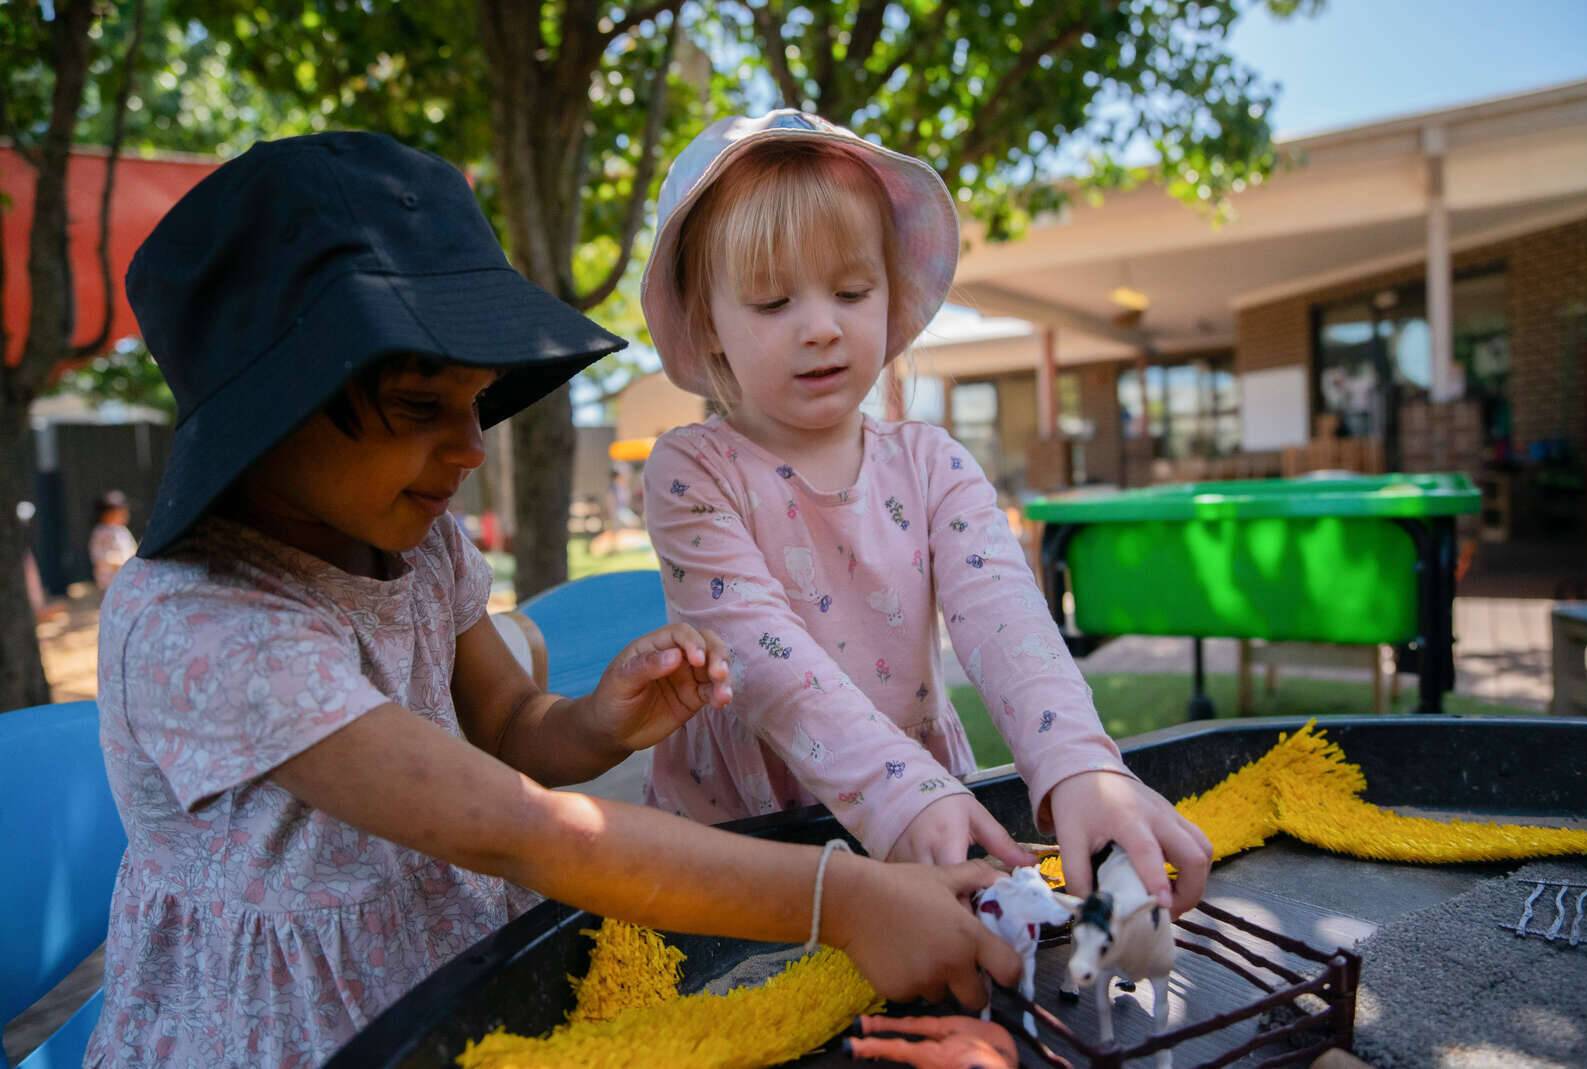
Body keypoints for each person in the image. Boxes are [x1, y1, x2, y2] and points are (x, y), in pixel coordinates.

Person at [86, 132, 1019, 1068]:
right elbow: (522, 830)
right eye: (421, 405)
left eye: (477, 400)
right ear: (272, 407)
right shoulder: (206, 625)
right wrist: (843, 899)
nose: (472, 446)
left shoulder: (419, 548)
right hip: (298, 1037)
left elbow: (506, 725)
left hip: (462, 986)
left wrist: (598, 723)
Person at [637, 111, 1212, 910]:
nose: (822, 327)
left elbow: (1005, 617)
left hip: (926, 804)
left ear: (890, 295)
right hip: (746, 833)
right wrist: (901, 789)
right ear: (707, 323)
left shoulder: (932, 463)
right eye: (771, 301)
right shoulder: (693, 472)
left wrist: (1079, 761)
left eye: (852, 291)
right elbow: (766, 663)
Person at [89, 489, 138, 591]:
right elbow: (98, 556)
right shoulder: (100, 532)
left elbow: (132, 549)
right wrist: (118, 560)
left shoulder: (123, 530)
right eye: (118, 511)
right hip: (110, 580)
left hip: (127, 577)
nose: (124, 514)